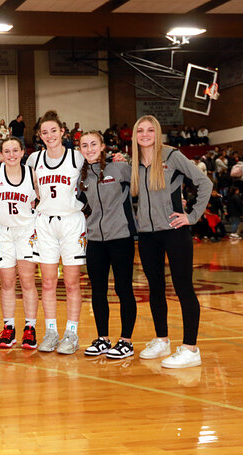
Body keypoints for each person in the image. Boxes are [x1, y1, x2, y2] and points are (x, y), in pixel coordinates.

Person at [131, 115, 212, 368]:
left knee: (183, 288)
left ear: (157, 133)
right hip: (147, 234)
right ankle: (162, 339)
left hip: (174, 231)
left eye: (150, 130)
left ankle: (190, 348)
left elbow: (204, 182)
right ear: (135, 135)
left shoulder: (172, 156)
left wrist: (192, 216)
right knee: (155, 288)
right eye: (140, 131)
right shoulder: (132, 162)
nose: (145, 134)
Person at [26, 110, 86, 354]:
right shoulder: (34, 160)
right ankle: (51, 331)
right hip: (45, 223)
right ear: (39, 136)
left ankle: (71, 333)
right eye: (44, 132)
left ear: (62, 132)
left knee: (71, 282)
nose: (49, 135)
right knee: (48, 282)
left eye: (53, 130)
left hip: (72, 222)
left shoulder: (77, 157)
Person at [78, 131, 139, 359]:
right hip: (95, 240)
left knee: (123, 289)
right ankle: (103, 338)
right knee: (98, 291)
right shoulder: (82, 177)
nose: (90, 148)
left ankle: (126, 341)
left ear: (103, 146)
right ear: (80, 150)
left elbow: (142, 186)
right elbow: (81, 204)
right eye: (85, 145)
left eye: (94, 144)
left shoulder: (119, 168)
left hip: (121, 238)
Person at [0, 137, 39, 349]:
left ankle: (30, 328)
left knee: (28, 281)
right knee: (7, 282)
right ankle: (8, 328)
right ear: (0, 155)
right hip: (2, 233)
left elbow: (44, 199)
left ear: (22, 153)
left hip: (26, 232)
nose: (11, 155)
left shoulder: (32, 174)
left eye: (15, 151)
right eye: (6, 151)